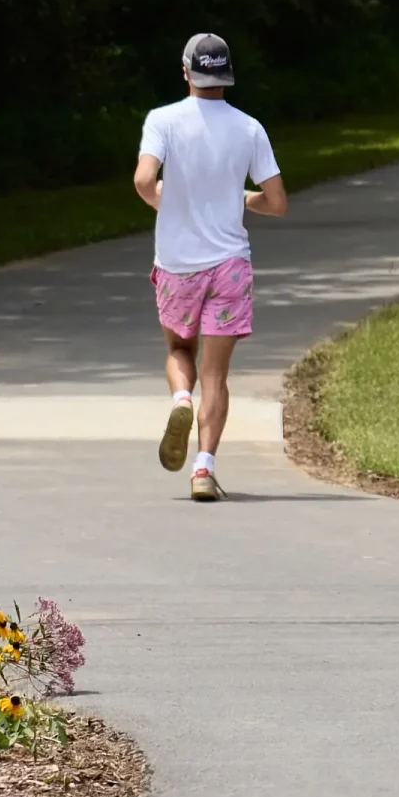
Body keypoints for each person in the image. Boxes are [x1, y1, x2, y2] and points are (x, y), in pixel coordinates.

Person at [134, 32, 288, 500]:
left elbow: (144, 179)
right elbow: (277, 202)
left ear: (187, 72)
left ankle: (180, 399)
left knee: (181, 350)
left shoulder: (162, 120)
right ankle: (203, 468)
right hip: (229, 266)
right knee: (217, 375)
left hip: (179, 264)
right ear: (227, 76)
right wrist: (242, 199)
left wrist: (164, 202)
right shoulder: (249, 128)